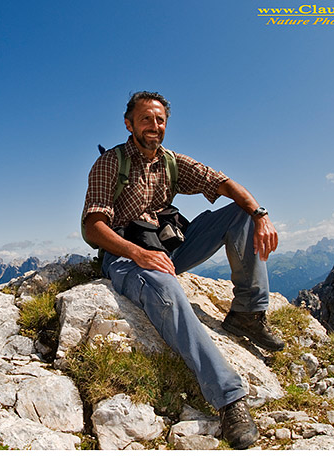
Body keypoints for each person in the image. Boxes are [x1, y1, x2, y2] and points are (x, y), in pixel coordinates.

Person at [81, 91, 284, 450]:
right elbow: (92, 226)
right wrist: (137, 253)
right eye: (146, 119)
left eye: (160, 120)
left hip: (166, 248)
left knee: (241, 214)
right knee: (167, 290)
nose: (154, 126)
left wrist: (260, 214)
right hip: (127, 255)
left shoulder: (170, 162)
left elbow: (221, 182)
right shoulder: (111, 164)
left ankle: (248, 314)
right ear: (129, 124)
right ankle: (229, 398)